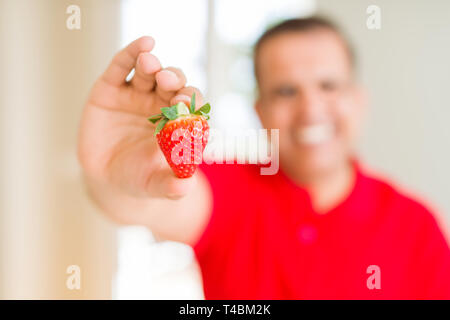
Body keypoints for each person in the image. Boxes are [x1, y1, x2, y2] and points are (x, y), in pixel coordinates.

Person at [78, 16, 450, 299]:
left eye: (328, 86)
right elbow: (146, 201)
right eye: (286, 91)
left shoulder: (416, 228)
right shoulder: (227, 188)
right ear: (261, 110)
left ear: (358, 99)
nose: (311, 109)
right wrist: (111, 171)